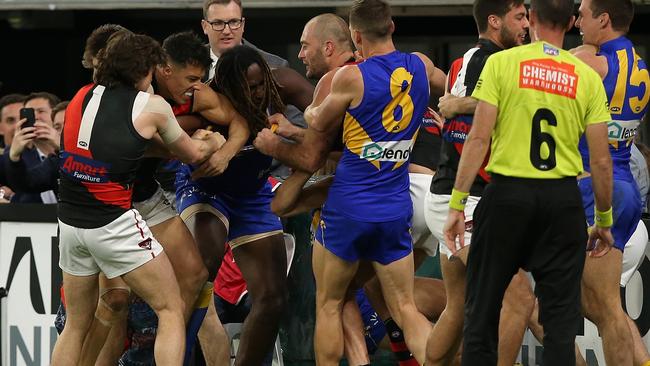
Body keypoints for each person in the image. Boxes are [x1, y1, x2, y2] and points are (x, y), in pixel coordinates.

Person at [254, 1, 440, 363]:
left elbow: (318, 122)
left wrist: (305, 114)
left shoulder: (350, 77)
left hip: (348, 208)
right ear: (391, 28)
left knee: (329, 304)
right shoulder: (420, 64)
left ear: (356, 36)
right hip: (394, 207)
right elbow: (452, 90)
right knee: (405, 308)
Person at [442, 0, 614, 364]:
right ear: (570, 23)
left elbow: (478, 138)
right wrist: (603, 221)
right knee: (560, 324)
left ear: (532, 18)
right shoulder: (586, 76)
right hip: (562, 202)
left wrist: (457, 203)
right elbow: (600, 160)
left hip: (506, 196)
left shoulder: (502, 63)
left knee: (482, 312)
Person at [50, 32, 225, 366]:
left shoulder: (80, 96)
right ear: (147, 72)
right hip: (113, 223)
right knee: (171, 308)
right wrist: (213, 142)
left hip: (70, 224)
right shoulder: (152, 106)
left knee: (75, 325)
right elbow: (192, 154)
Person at [423, 1, 535, 365]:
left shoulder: (491, 60)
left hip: (468, 196)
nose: (526, 25)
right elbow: (462, 116)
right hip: (462, 198)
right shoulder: (482, 57)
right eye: (519, 17)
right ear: (493, 20)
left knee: (458, 307)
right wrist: (458, 105)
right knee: (519, 297)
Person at [176, 45, 290, 366]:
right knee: (203, 269)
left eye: (259, 85)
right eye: (247, 88)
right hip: (206, 190)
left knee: (272, 297)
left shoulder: (280, 84)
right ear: (227, 89)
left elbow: (321, 121)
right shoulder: (205, 107)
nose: (256, 93)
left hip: (253, 194)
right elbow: (170, 138)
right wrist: (204, 145)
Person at [570, 0, 649, 364]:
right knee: (598, 307)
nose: (577, 22)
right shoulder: (640, 65)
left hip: (600, 188)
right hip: (624, 184)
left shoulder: (594, 62)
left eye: (583, 15)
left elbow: (541, 65)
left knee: (606, 309)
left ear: (604, 19)